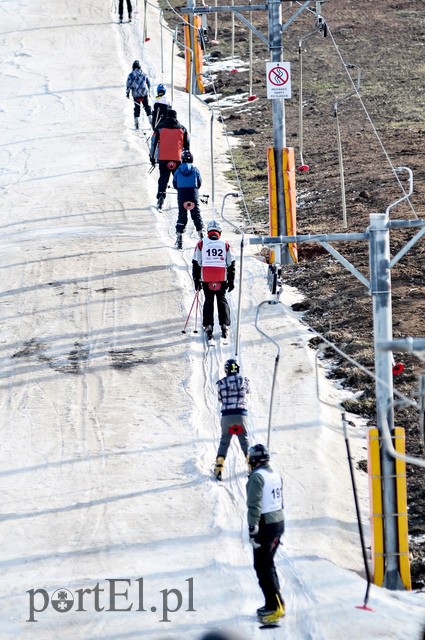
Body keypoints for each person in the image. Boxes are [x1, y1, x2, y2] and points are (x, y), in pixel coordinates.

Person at [246, 444, 285, 625]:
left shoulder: (257, 477)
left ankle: (276, 606)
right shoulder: (274, 474)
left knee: (262, 566)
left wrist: (253, 529)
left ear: (253, 460)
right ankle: (274, 603)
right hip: (277, 522)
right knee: (267, 564)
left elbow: (254, 505)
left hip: (265, 524)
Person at [192, 220, 235, 341]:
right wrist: (231, 280)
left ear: (208, 231)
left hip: (207, 276)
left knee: (208, 300)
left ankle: (208, 325)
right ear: (220, 232)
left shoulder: (201, 244)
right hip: (221, 276)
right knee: (222, 299)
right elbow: (231, 263)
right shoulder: (225, 244)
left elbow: (196, 262)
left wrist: (196, 280)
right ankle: (225, 325)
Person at [213, 359, 250, 480]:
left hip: (227, 416)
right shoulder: (244, 380)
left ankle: (219, 468)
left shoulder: (222, 383)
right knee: (244, 441)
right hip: (241, 415)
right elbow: (248, 391)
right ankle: (251, 465)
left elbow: (220, 399)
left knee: (224, 442)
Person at [150, 109, 190, 210]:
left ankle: (161, 196)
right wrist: (187, 158)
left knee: (163, 178)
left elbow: (153, 142)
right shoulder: (183, 129)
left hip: (163, 158)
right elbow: (187, 144)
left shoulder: (160, 128)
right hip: (177, 158)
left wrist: (152, 157)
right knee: (180, 179)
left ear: (166, 116)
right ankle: (183, 199)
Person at [172, 151, 204, 249]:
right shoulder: (195, 170)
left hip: (182, 193)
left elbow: (174, 182)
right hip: (193, 192)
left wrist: (179, 189)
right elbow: (199, 182)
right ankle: (201, 234)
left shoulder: (178, 170)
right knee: (196, 214)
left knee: (182, 214)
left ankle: (179, 236)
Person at [126, 60, 152, 130]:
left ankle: (136, 122)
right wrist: (149, 91)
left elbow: (128, 85)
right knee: (147, 107)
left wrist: (127, 93)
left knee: (137, 108)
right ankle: (151, 120)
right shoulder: (144, 74)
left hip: (136, 95)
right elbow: (148, 83)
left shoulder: (131, 75)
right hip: (144, 94)